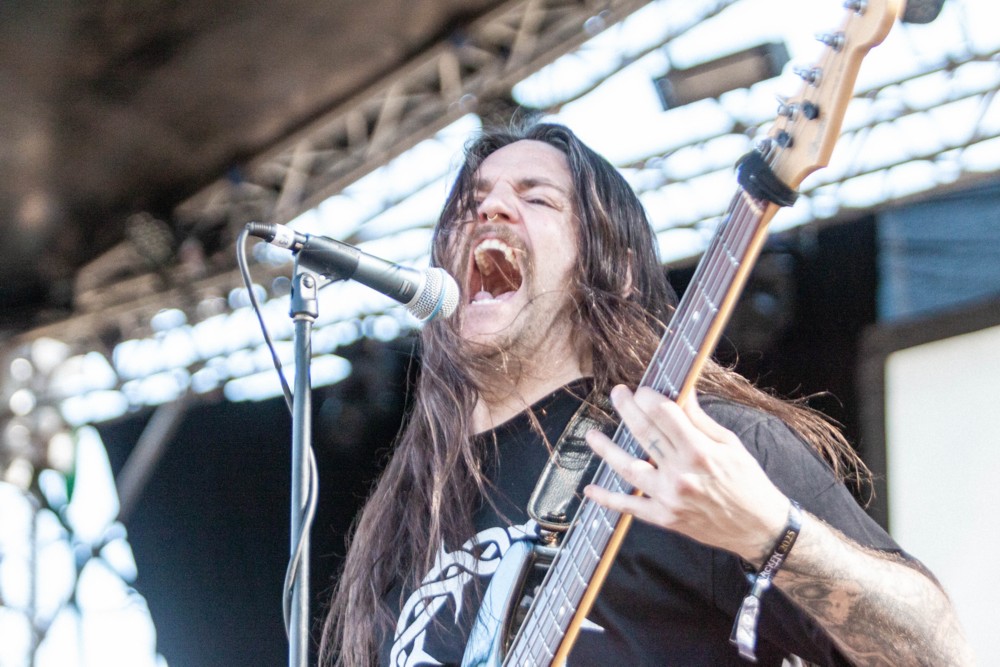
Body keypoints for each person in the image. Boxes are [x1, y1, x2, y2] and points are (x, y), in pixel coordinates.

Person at [318, 122, 973, 666]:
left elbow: (939, 653)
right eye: (472, 201)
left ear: (617, 269)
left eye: (537, 199)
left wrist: (770, 532)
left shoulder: (690, 449)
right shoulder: (412, 512)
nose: (489, 209)